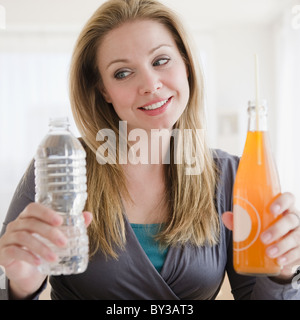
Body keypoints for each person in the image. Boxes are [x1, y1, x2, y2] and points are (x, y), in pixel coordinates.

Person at [0, 0, 300, 300]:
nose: (150, 84)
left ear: (186, 65)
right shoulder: (62, 166)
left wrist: (282, 270)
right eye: (122, 73)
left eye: (160, 61)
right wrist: (18, 288)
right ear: (103, 89)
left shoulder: (232, 175)